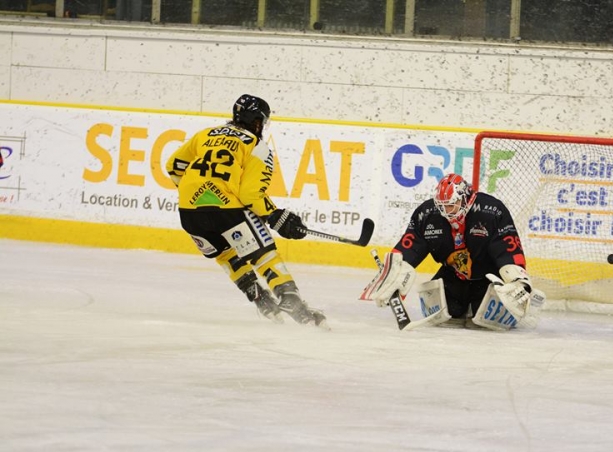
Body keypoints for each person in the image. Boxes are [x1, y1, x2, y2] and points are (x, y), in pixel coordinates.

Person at [166, 94, 326, 327]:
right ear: (258, 122)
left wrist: (196, 192)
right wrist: (275, 214)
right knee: (263, 254)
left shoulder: (206, 134)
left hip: (189, 212)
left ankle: (262, 301)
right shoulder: (256, 146)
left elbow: (174, 166)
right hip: (227, 210)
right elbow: (250, 195)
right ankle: (291, 300)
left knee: (225, 255)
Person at [362, 173, 545, 330]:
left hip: (487, 277)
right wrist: (394, 273)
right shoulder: (426, 214)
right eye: (441, 205)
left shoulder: (492, 211)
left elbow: (508, 247)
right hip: (453, 275)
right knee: (447, 314)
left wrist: (517, 280)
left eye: (451, 205)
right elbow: (410, 245)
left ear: (466, 198)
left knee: (490, 321)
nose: (445, 211)